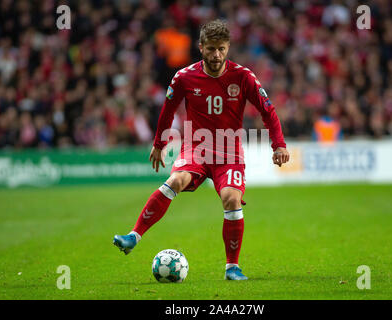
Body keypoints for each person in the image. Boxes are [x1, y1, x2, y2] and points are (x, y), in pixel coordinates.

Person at [113, 20, 290, 280]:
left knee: (231, 198)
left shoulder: (243, 76)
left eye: (221, 49)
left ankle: (232, 267)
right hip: (196, 149)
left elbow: (268, 110)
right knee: (175, 180)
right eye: (210, 49)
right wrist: (159, 144)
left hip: (229, 154)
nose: (216, 55)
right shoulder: (184, 77)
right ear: (200, 48)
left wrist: (279, 145)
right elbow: (167, 110)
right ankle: (133, 236)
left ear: (228, 47)